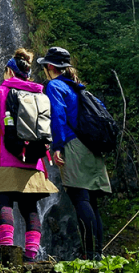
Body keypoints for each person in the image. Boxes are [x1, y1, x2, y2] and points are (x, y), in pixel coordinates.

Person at [0, 48, 58, 262]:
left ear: (9, 71)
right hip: (33, 161)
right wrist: (46, 155)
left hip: (4, 160)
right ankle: (30, 256)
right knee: (30, 209)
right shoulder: (39, 95)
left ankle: (8, 253)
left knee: (4, 203)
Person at [38, 46, 111, 261]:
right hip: (92, 147)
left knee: (79, 198)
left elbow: (58, 115)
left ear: (50, 66)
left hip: (73, 145)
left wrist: (57, 146)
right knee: (91, 202)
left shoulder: (55, 86)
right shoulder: (80, 89)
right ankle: (97, 253)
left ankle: (90, 255)